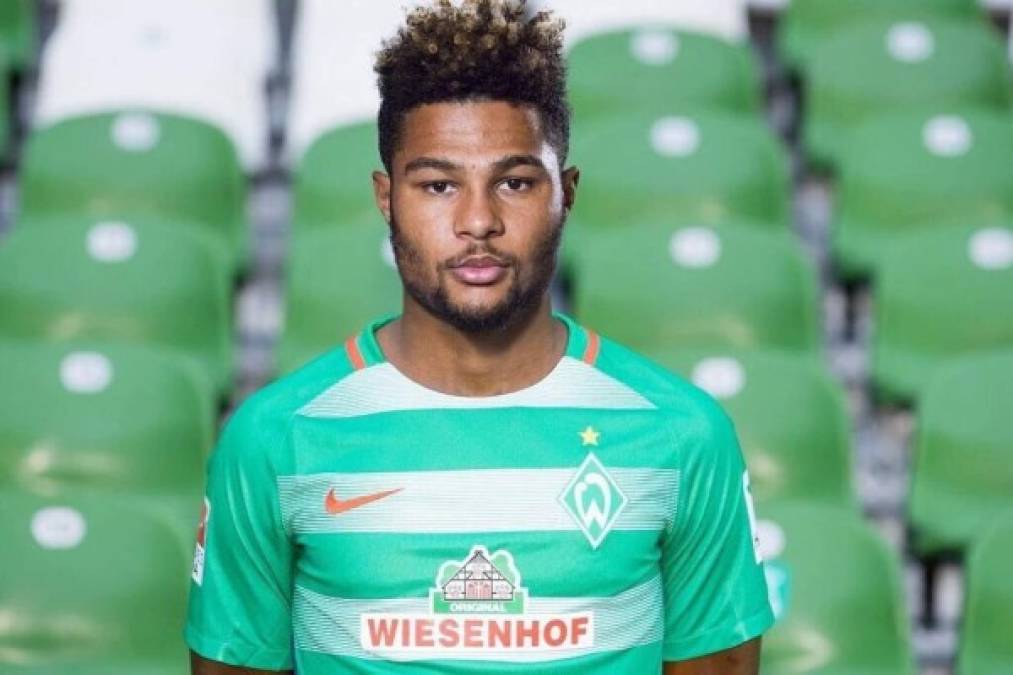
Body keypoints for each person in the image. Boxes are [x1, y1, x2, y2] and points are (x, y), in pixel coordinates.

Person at [186, 1, 773, 673]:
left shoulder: (680, 433)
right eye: (438, 184)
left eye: (515, 182)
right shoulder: (276, 438)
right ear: (386, 197)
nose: (477, 220)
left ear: (566, 191)